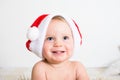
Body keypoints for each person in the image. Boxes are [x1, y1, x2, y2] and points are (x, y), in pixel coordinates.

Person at [26, 14, 89, 80]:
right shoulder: (40, 68)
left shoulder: (78, 68)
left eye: (65, 38)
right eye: (50, 38)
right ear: (40, 44)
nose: (58, 44)